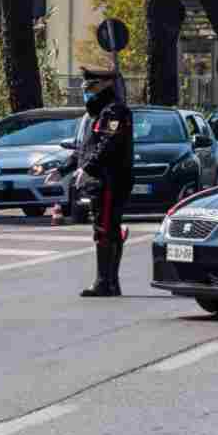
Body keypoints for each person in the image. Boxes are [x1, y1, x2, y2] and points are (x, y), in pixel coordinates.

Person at [74, 66, 133, 297]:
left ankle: (104, 281)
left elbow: (109, 143)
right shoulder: (100, 113)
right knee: (108, 228)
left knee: (104, 229)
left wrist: (88, 168)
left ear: (105, 85)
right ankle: (110, 282)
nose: (87, 91)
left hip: (110, 179)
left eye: (91, 87)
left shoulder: (115, 111)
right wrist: (66, 168)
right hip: (103, 178)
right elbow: (86, 149)